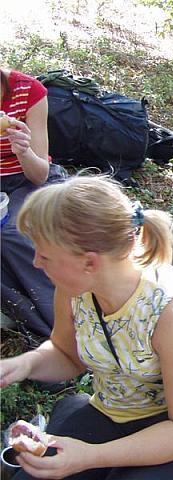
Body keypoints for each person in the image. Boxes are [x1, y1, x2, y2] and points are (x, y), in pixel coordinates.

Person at [0, 176, 173, 480]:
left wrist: (90, 457)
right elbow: (66, 355)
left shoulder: (172, 309)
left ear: (90, 262)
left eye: (45, 255)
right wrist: (25, 364)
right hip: (116, 413)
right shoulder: (75, 288)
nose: (36, 262)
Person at [1, 67, 67, 340]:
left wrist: (23, 150)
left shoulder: (29, 91)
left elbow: (39, 174)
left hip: (27, 181)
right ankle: (20, 312)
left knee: (10, 232)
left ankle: (60, 327)